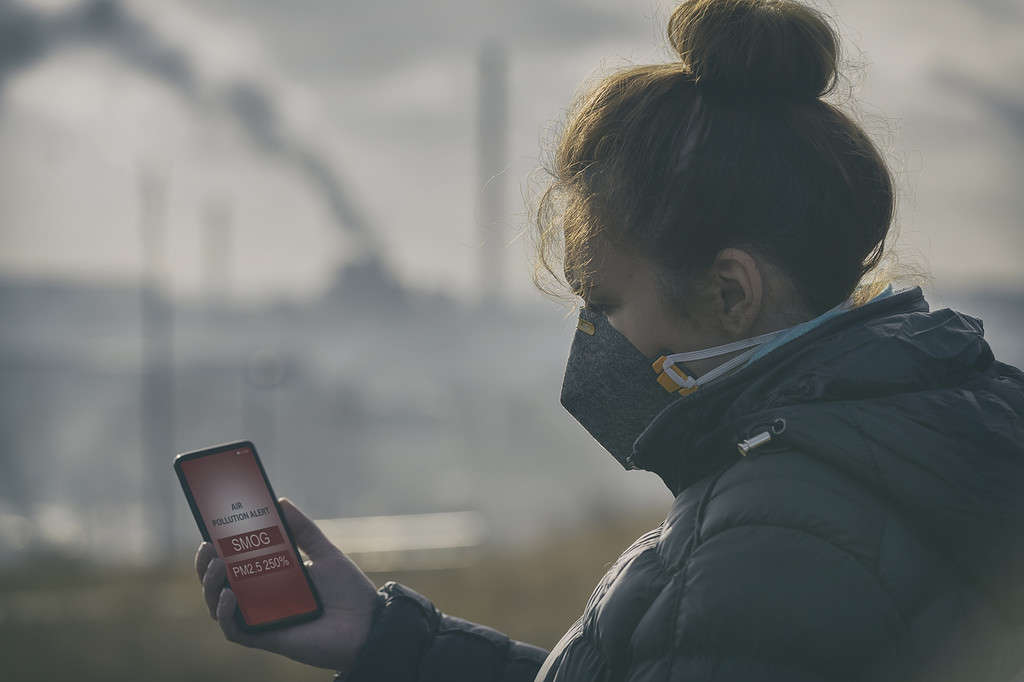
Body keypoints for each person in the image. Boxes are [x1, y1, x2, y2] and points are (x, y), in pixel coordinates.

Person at [195, 0, 1024, 680]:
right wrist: (388, 644)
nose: (590, 338)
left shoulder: (765, 542)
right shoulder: (954, 418)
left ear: (731, 293)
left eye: (604, 301)